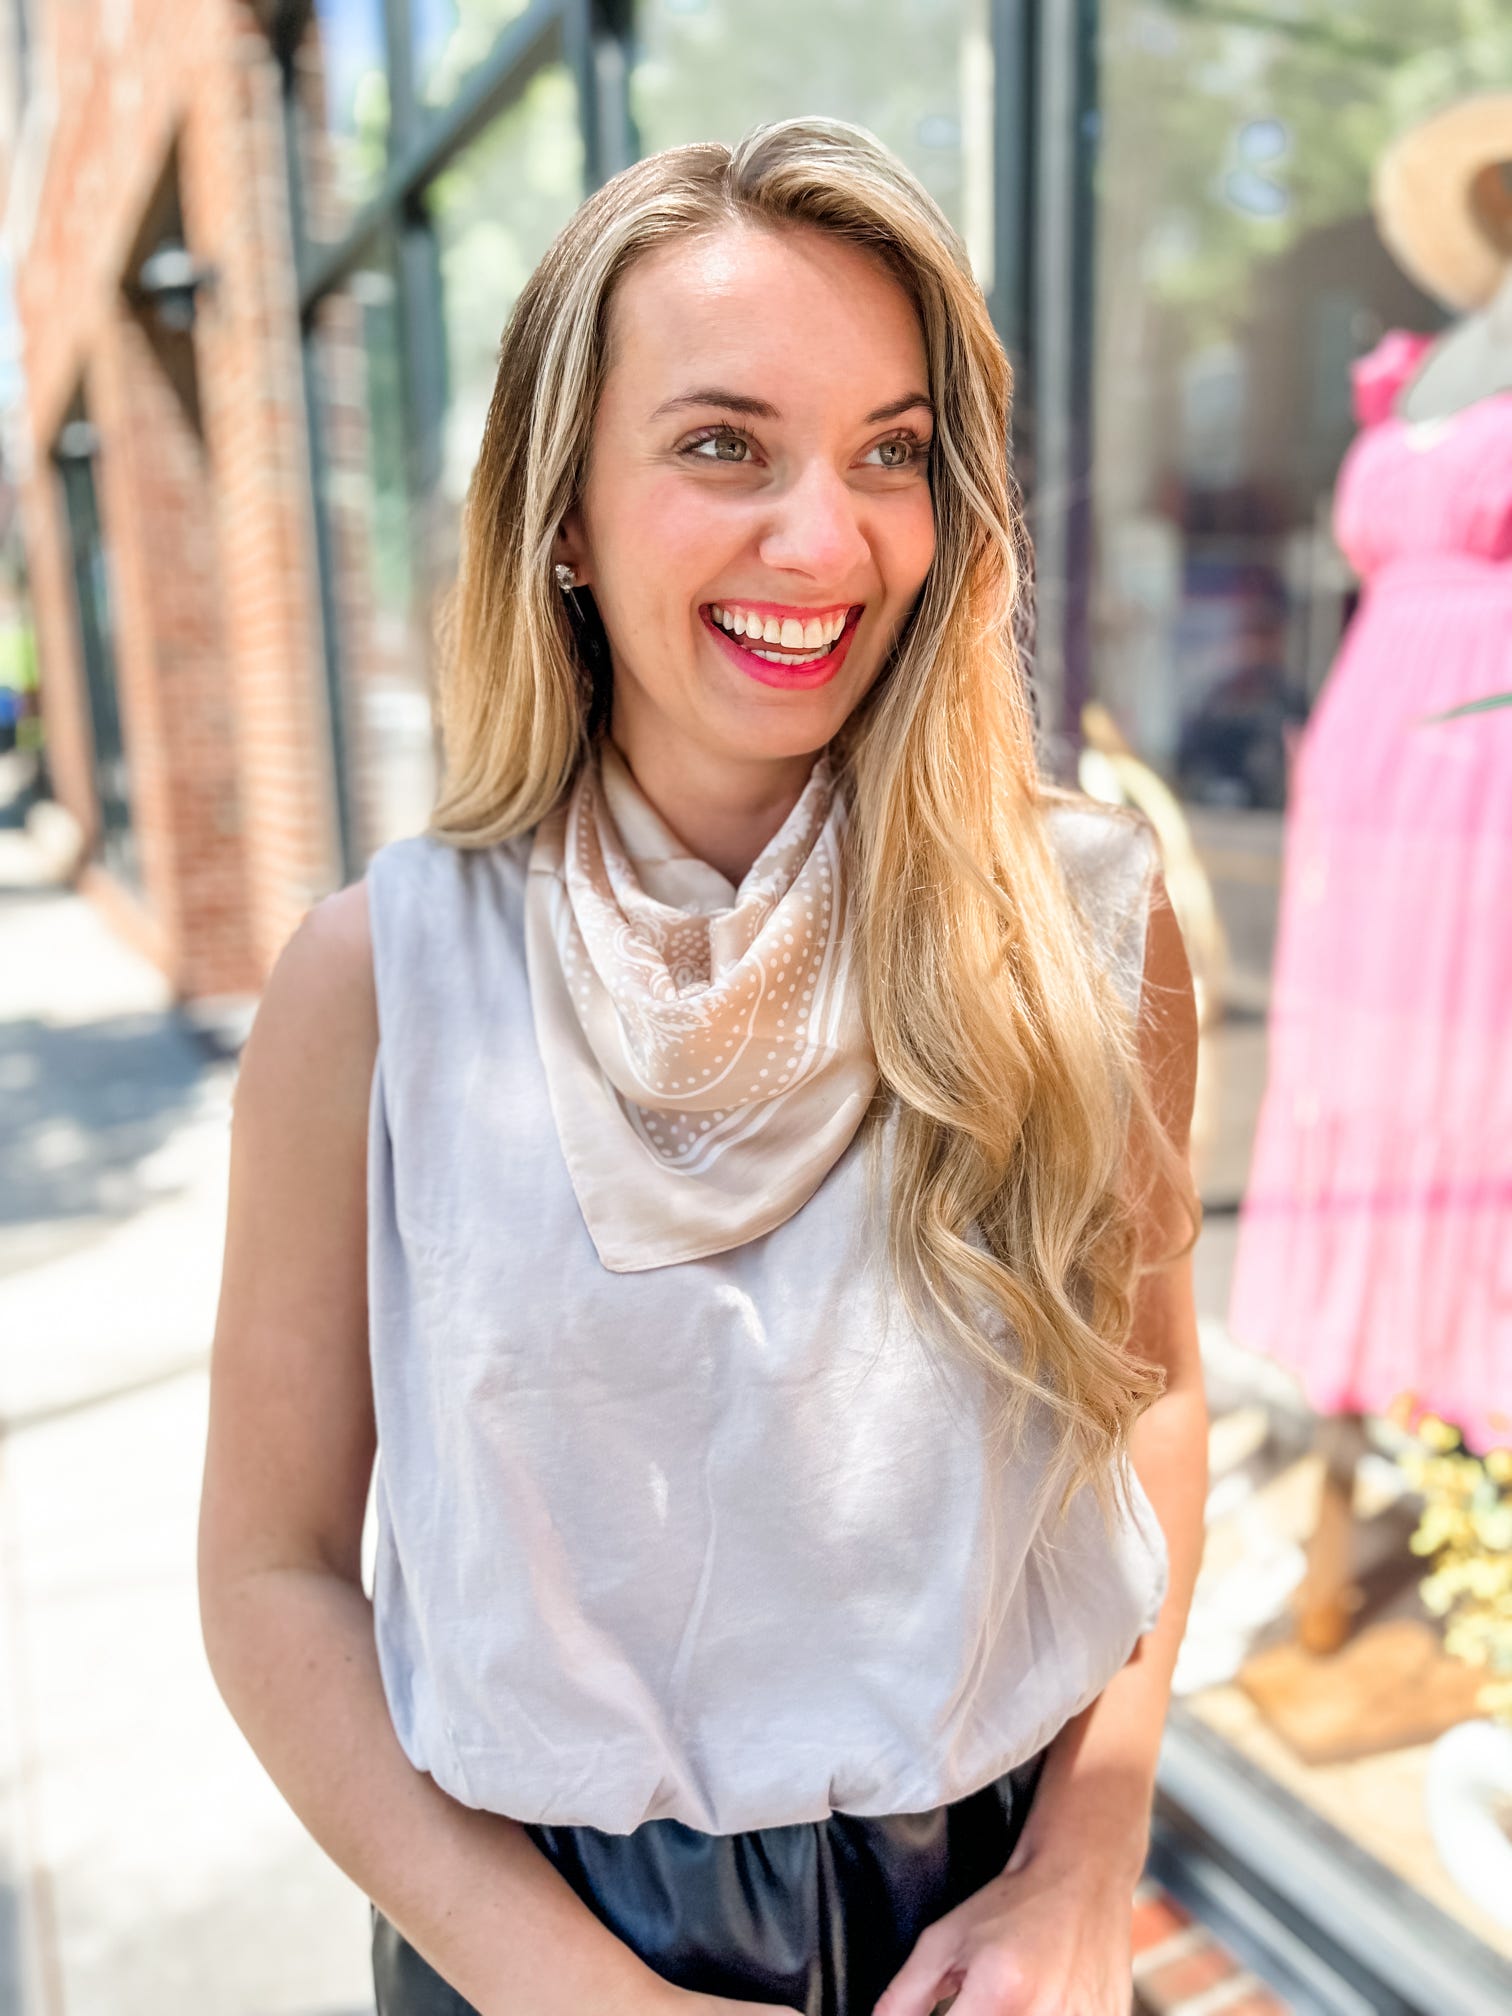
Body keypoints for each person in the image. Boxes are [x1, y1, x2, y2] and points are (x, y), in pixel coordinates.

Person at [197, 118, 1207, 2016]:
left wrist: (1091, 1857)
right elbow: (269, 1572)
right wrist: (570, 1992)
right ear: (562, 511)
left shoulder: (1076, 923)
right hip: (529, 1937)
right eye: (723, 444)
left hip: (990, 1931)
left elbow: (1143, 1406)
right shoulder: (383, 983)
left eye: (891, 453)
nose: (826, 540)